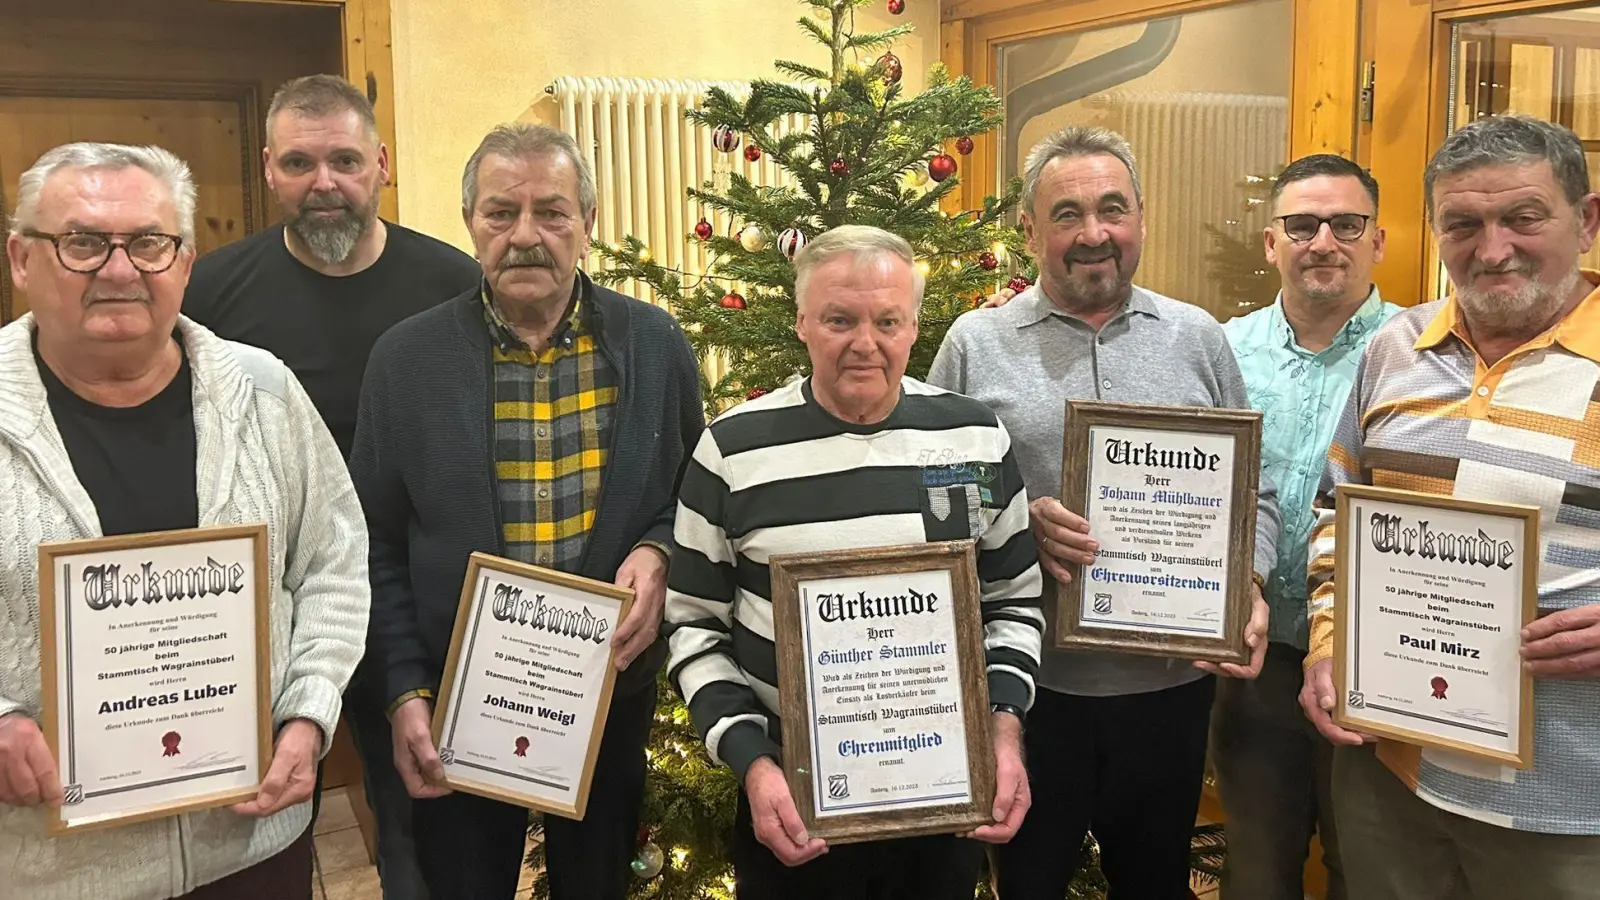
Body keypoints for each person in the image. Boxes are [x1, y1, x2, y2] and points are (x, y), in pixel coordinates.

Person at [0, 142, 368, 898]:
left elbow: (334, 563)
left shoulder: (265, 393)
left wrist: (309, 713)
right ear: (21, 258)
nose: (119, 269)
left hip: (250, 844)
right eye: (82, 243)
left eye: (148, 243)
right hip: (53, 870)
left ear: (186, 261)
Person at [348, 122, 704, 900]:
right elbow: (370, 546)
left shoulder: (655, 344)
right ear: (470, 222)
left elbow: (693, 498)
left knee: (596, 886)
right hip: (457, 706)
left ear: (589, 222)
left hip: (607, 696)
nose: (525, 236)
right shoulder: (404, 362)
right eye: (500, 212)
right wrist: (404, 691)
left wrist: (661, 552)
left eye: (552, 212)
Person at [926, 125, 1279, 900]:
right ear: (1028, 231)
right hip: (1028, 694)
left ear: (1141, 220)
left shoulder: (1198, 339)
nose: (1094, 234)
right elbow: (929, 500)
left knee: (1155, 884)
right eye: (1067, 214)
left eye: (1113, 210)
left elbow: (1255, 495)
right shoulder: (974, 344)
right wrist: (1016, 522)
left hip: (1168, 695)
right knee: (1028, 886)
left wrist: (1246, 584)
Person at [664, 225, 1044, 899]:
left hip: (942, 804)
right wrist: (753, 766)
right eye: (840, 319)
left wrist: (1003, 731)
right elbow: (693, 625)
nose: (865, 343)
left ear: (914, 325)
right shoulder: (732, 450)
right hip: (793, 806)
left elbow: (1012, 600)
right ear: (802, 321)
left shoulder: (973, 435)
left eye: (887, 320)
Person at [182, 73, 479, 900]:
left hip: (407, 599)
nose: (325, 183)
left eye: (345, 160)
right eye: (302, 162)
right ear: (270, 168)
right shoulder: (210, 294)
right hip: (270, 599)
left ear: (381, 163)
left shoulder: (453, 283)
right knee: (261, 822)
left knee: (419, 825)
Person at [1301, 113, 1600, 899]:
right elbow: (1337, 512)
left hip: (1568, 808)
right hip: (1389, 776)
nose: (1493, 248)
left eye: (1523, 218)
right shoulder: (1393, 349)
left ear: (1588, 221)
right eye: (1463, 223)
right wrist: (1328, 644)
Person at [1210, 154, 1402, 900]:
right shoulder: (1222, 349)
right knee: (1256, 869)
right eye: (1301, 224)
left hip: (1373, 663)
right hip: (1253, 661)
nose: (1322, 240)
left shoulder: (1418, 356)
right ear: (1271, 242)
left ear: (1377, 241)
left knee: (1370, 871)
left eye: (1345, 224)